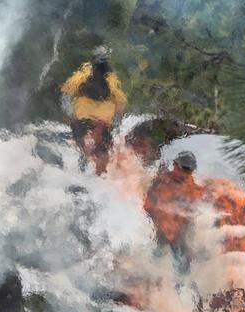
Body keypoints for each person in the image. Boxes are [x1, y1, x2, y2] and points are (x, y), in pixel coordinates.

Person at [61, 46, 127, 175]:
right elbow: (120, 102)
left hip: (88, 117)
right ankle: (95, 169)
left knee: (92, 143)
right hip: (95, 118)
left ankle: (92, 166)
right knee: (101, 147)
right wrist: (116, 123)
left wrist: (70, 113)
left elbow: (67, 94)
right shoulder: (107, 78)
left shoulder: (107, 78)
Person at [143, 150, 201, 271]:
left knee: (183, 267)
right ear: (175, 165)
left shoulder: (193, 188)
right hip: (159, 231)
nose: (186, 173)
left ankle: (182, 287)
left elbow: (195, 213)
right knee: (154, 262)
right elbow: (148, 206)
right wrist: (158, 223)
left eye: (189, 170)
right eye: (184, 169)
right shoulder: (160, 181)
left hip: (181, 234)